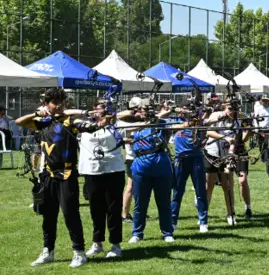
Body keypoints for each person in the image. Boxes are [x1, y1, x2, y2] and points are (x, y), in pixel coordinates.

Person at [16, 88, 101, 268]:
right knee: (48, 215)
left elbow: (90, 126)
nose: (59, 105)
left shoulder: (70, 120)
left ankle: (79, 252)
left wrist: (100, 119)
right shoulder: (42, 122)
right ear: (46, 104)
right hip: (47, 175)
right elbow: (19, 122)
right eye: (54, 102)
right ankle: (48, 251)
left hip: (67, 174)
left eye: (61, 102)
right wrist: (37, 113)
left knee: (70, 214)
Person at [118, 100, 177, 244]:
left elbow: (178, 125)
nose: (146, 112)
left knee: (164, 202)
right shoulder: (133, 123)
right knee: (140, 203)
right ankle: (137, 233)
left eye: (149, 109)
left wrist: (164, 115)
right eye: (143, 109)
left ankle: (167, 232)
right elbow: (118, 117)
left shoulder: (161, 123)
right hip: (141, 167)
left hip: (161, 167)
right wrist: (137, 115)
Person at [79, 99, 126, 259]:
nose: (102, 111)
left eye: (105, 108)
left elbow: (130, 117)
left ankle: (115, 244)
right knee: (96, 209)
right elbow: (68, 116)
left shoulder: (116, 123)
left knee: (113, 208)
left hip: (114, 170)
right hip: (92, 171)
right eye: (100, 108)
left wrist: (112, 116)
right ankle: (97, 242)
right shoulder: (84, 124)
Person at [171, 102, 210, 233]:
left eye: (192, 111)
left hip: (196, 159)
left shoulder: (200, 123)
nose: (190, 113)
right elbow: (170, 123)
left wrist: (207, 112)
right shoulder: (176, 121)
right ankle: (173, 221)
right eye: (187, 110)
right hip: (181, 160)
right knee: (177, 192)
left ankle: (203, 222)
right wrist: (182, 116)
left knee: (200, 192)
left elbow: (211, 120)